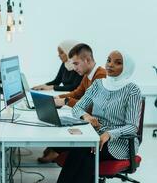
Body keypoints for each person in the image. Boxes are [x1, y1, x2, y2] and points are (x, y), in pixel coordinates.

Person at [56, 50, 142, 183]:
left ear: (127, 68)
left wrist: (109, 134)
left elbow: (132, 127)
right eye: (108, 60)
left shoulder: (132, 90)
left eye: (118, 63)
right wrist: (86, 117)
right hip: (94, 135)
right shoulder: (98, 84)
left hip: (120, 142)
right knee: (80, 150)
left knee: (87, 153)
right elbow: (78, 107)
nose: (110, 65)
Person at [38, 43, 107, 163]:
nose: (74, 68)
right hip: (89, 119)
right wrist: (57, 98)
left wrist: (65, 101)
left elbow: (92, 107)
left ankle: (56, 151)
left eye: (76, 64)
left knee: (66, 127)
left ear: (87, 60)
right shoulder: (87, 75)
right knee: (62, 122)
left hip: (98, 124)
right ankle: (55, 150)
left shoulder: (101, 76)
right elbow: (76, 93)